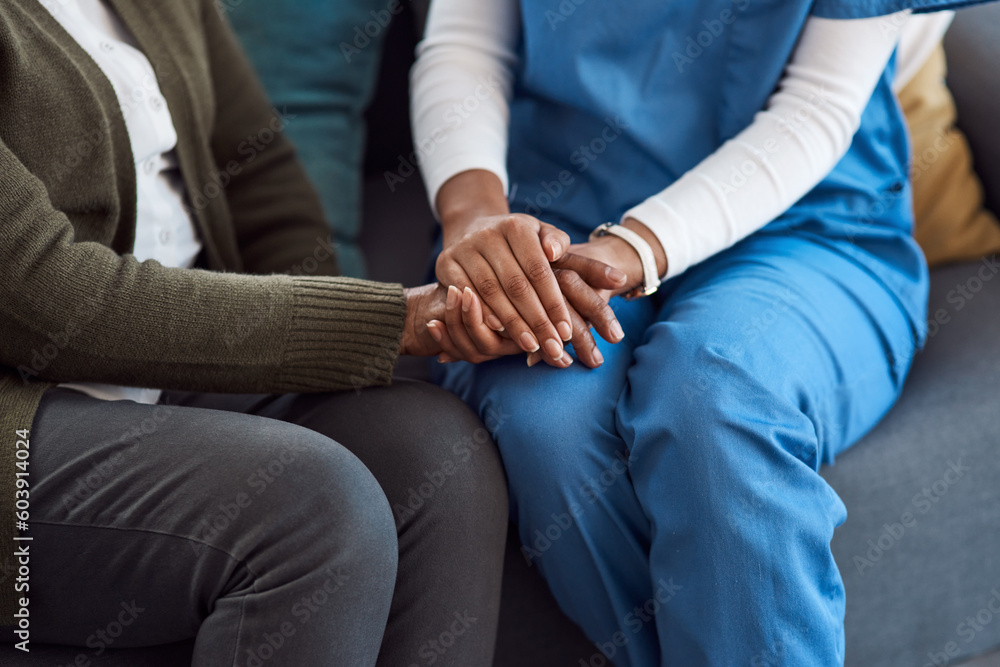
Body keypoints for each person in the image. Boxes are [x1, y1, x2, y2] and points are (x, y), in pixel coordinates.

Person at [0, 0, 623, 664]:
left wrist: (372, 341)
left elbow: (259, 174)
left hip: (170, 374)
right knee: (313, 510)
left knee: (440, 457)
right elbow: (44, 296)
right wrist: (396, 321)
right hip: (26, 413)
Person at [411, 1, 978, 665]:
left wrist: (638, 248)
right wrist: (475, 221)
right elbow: (465, 45)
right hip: (558, 229)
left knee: (713, 392)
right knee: (547, 433)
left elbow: (818, 104)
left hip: (805, 229)